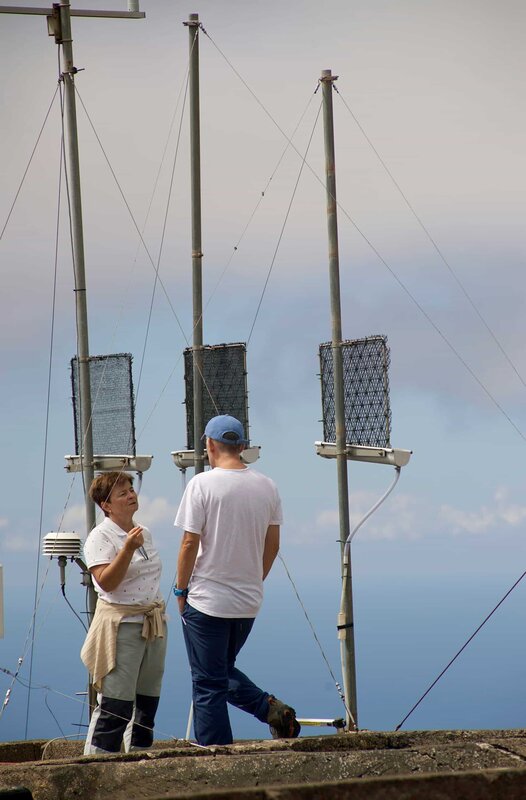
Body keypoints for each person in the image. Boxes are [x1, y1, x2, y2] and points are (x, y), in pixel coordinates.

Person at [174, 414, 300, 746]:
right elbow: (273, 545)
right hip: (247, 603)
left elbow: (189, 543)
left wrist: (180, 589)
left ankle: (215, 757)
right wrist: (252, 580)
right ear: (242, 446)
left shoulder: (201, 484)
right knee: (219, 672)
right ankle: (269, 709)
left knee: (207, 683)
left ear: (210, 445)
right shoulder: (267, 486)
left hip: (207, 600)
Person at [80, 471, 167, 755]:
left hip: (152, 624)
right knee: (115, 707)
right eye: (122, 493)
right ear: (105, 504)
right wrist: (127, 549)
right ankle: (94, 773)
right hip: (123, 626)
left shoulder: (144, 532)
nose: (131, 495)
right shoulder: (99, 537)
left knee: (146, 707)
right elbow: (106, 582)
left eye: (131, 489)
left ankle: (138, 765)